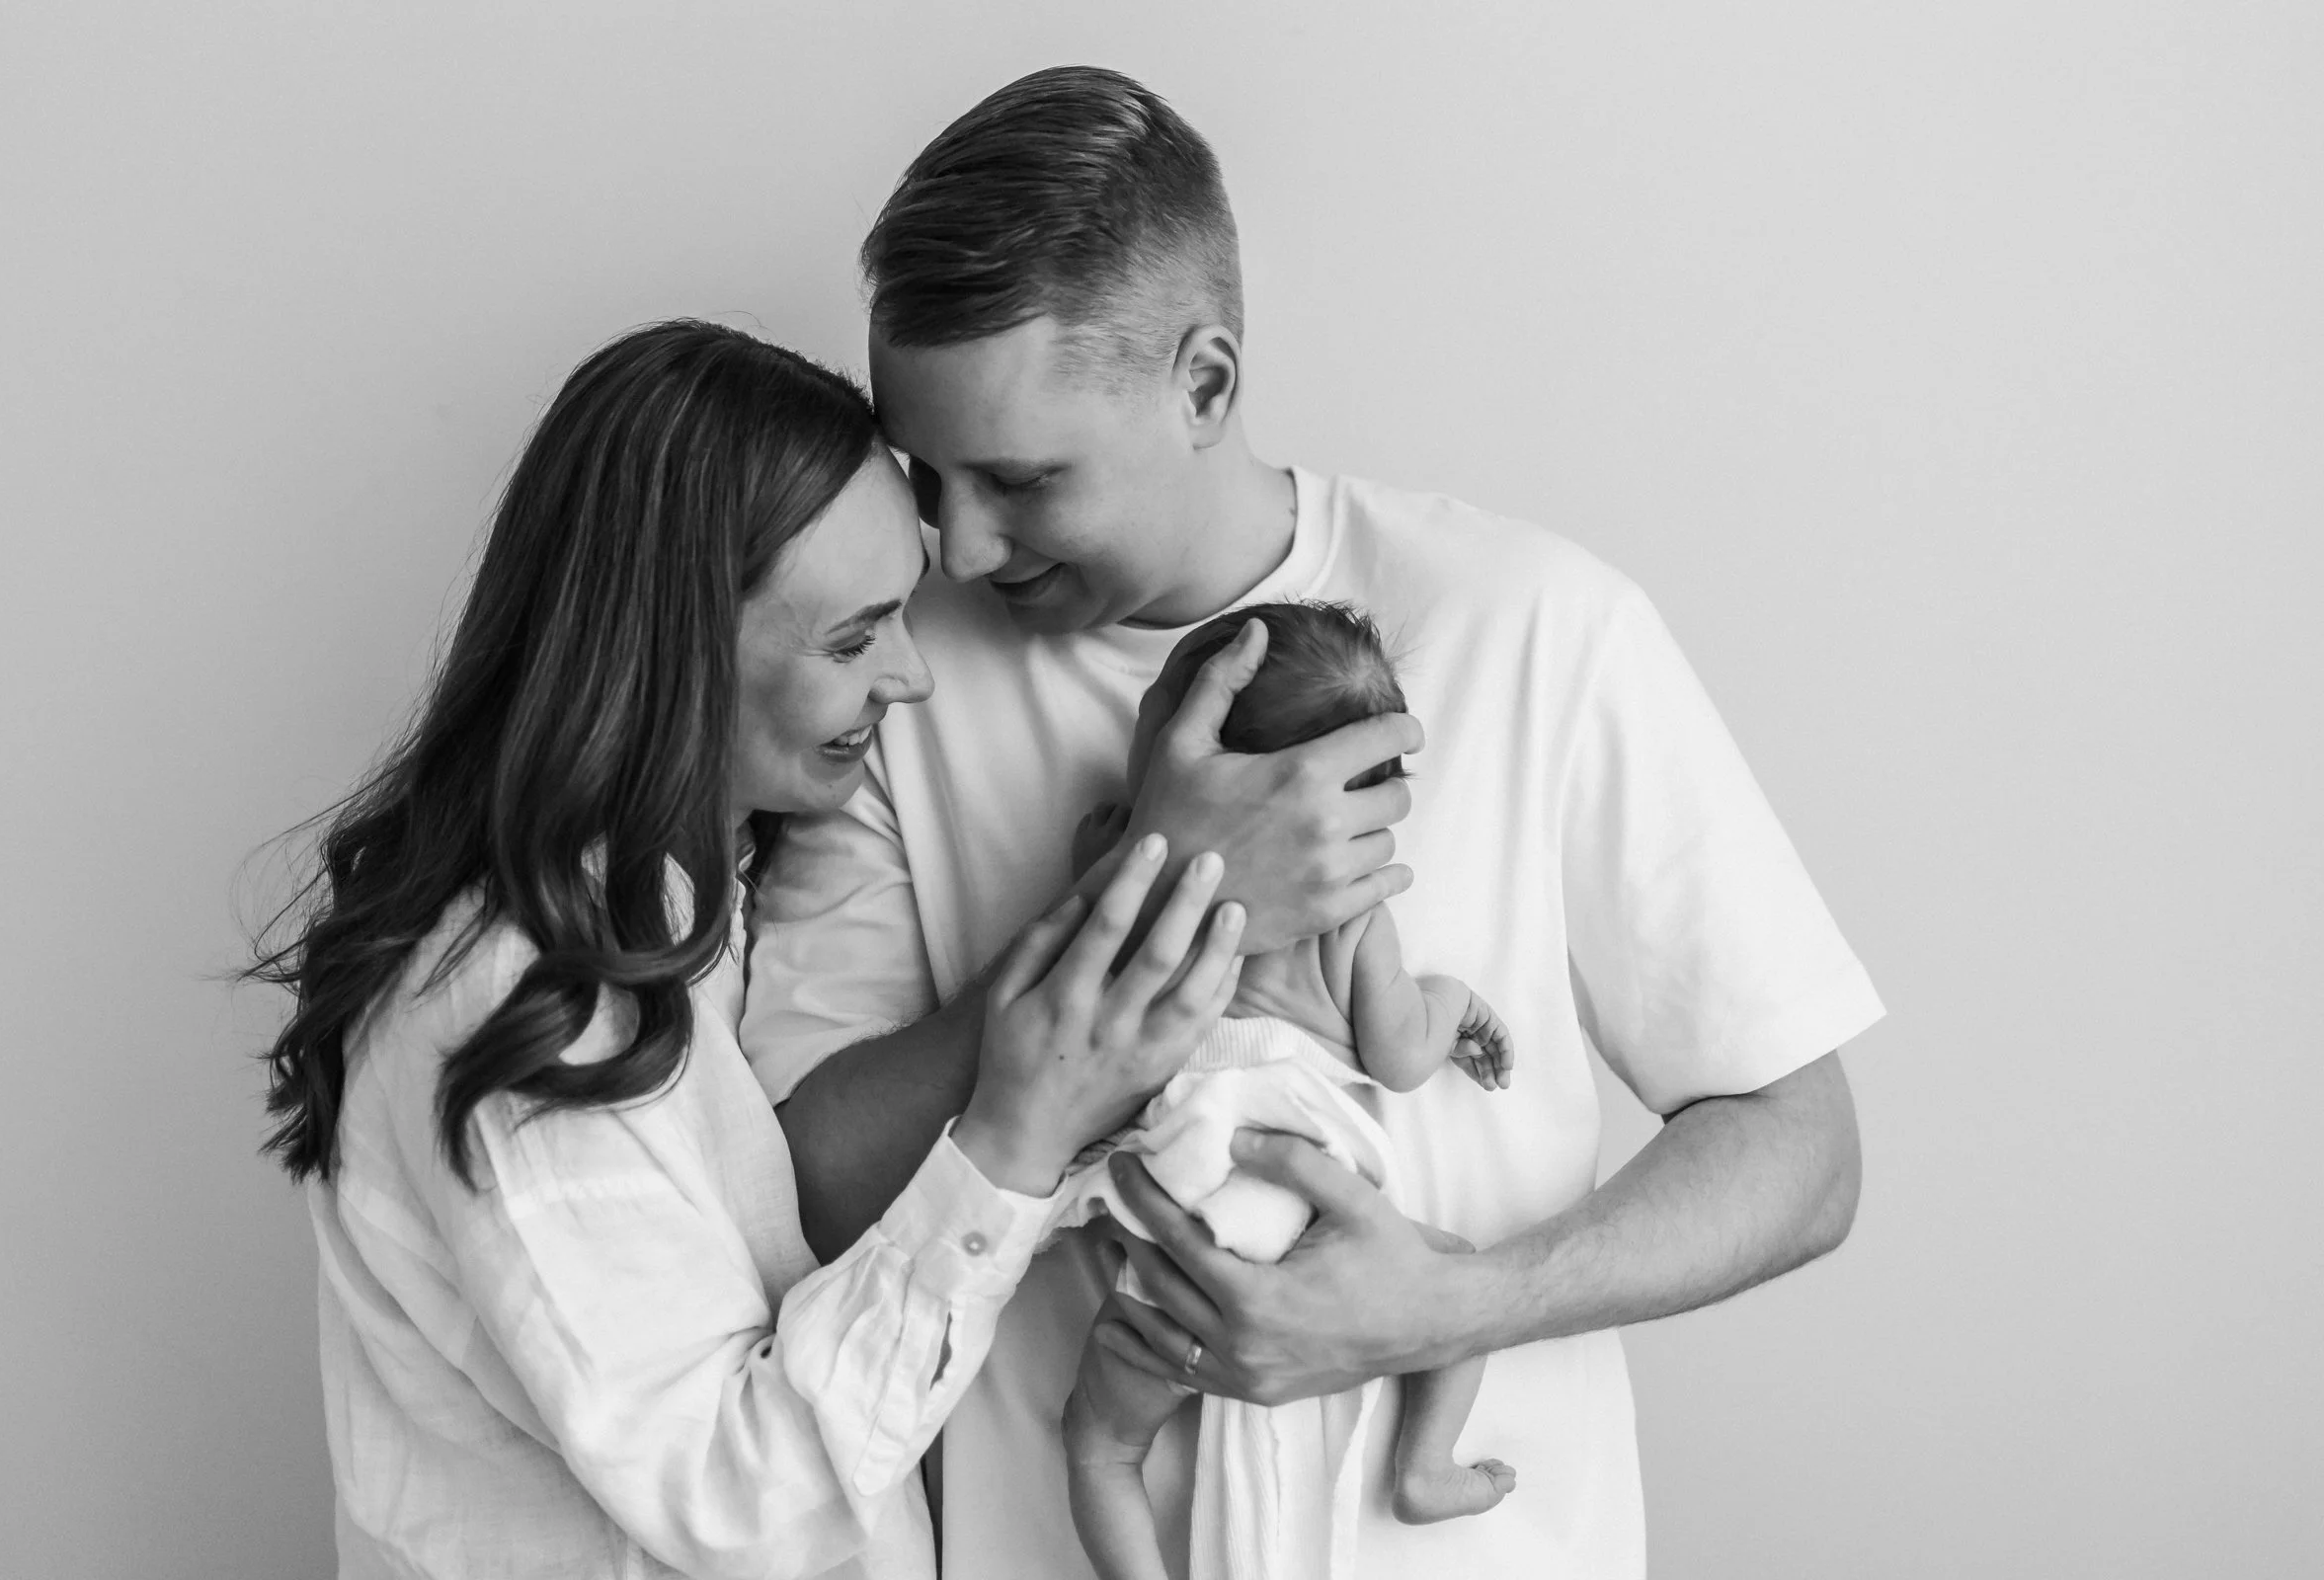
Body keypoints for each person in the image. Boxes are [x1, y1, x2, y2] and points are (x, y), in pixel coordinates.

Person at [749, 66, 1884, 1580]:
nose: (956, 545)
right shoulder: (890, 681)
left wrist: (1455, 1307)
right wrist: (1154, 885)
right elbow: (806, 1193)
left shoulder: (1534, 626)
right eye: (925, 475)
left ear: (1205, 383)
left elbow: (1801, 1151)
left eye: (1019, 480)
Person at [247, 319, 1252, 1580]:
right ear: (673, 653)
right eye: (853, 637)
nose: (911, 679)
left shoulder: (699, 916)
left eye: (904, 615)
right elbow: (748, 1505)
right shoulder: (524, 995)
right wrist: (1012, 1135)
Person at [1055, 600, 1520, 1580]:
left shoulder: (1139, 881)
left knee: (1102, 1445)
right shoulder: (1355, 914)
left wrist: (1099, 858)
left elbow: (1082, 971)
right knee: (1457, 1282)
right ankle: (1424, 1466)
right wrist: (1454, 1002)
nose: (1137, 721)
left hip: (1174, 1188)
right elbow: (1401, 1056)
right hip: (1298, 1198)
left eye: (1158, 714)